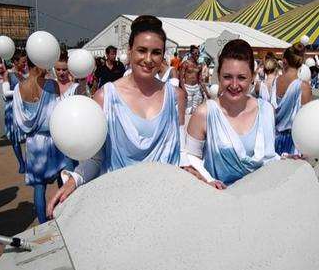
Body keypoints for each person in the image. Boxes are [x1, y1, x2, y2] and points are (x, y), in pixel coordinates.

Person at [47, 15, 186, 218]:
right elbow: (96, 157)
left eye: (156, 52)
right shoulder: (106, 97)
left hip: (165, 205)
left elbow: (182, 153)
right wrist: (73, 181)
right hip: (120, 206)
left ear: (163, 56)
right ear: (129, 51)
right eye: (141, 50)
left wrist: (203, 177)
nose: (148, 59)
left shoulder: (176, 96)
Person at [185, 39, 279, 187]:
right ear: (218, 75)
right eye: (227, 77)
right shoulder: (204, 113)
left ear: (252, 77)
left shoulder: (267, 111)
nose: (234, 85)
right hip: (218, 201)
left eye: (241, 77)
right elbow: (190, 160)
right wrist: (208, 180)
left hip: (261, 199)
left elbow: (270, 159)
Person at [13, 59, 68, 224]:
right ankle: (66, 216)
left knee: (39, 186)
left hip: (34, 142)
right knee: (62, 177)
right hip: (54, 138)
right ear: (37, 62)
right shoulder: (52, 85)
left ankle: (43, 224)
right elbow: (59, 111)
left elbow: (19, 119)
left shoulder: (19, 87)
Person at [272, 43, 312, 155]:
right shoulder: (304, 87)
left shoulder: (274, 82)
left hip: (272, 138)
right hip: (293, 142)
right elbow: (306, 121)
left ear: (284, 62)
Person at [2, 50, 28, 173]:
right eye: (23, 62)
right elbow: (5, 93)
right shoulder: (8, 73)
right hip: (12, 108)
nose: (25, 64)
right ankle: (21, 163)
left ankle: (28, 161)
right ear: (15, 62)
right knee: (15, 138)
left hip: (24, 106)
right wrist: (20, 92)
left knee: (29, 135)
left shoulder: (25, 73)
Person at [180, 45, 209, 114]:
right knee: (187, 109)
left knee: (196, 109)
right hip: (187, 88)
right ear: (191, 53)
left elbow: (201, 80)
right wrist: (184, 90)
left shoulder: (199, 65)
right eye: (195, 53)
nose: (197, 55)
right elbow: (181, 78)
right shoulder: (185, 64)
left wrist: (206, 92)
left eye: (198, 53)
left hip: (196, 88)